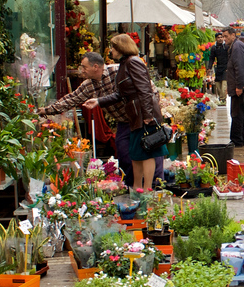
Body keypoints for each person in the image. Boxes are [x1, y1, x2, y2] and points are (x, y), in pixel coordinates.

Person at [83, 34, 166, 190]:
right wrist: (99, 101)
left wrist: (148, 116)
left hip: (142, 114)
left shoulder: (133, 62)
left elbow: (145, 90)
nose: (111, 51)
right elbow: (121, 94)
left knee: (147, 152)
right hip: (135, 115)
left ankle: (147, 188)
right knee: (136, 154)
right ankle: (136, 187)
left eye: (113, 47)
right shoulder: (124, 64)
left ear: (121, 48)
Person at [37, 52, 133, 186]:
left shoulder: (117, 71)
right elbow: (71, 99)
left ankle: (152, 186)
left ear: (95, 66)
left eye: (84, 67)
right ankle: (130, 186)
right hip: (122, 122)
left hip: (139, 118)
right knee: (123, 153)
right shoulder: (88, 85)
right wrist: (46, 110)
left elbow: (145, 84)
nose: (81, 71)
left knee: (145, 153)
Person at [207, 32, 229, 99]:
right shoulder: (214, 48)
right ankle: (221, 97)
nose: (220, 39)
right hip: (218, 68)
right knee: (218, 85)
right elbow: (211, 58)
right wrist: (209, 67)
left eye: (221, 37)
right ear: (216, 39)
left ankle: (223, 99)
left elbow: (230, 57)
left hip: (226, 68)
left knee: (224, 85)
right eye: (218, 37)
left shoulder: (226, 47)